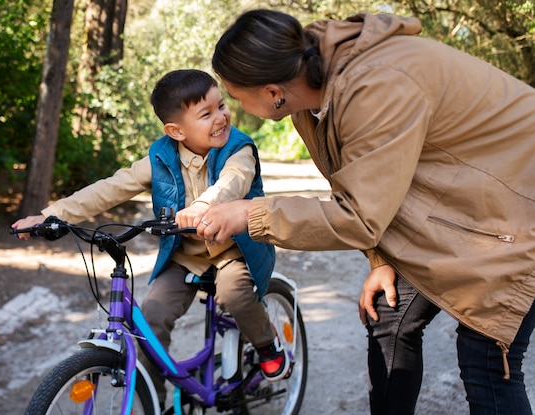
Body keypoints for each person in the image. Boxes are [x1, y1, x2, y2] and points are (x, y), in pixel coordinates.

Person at [199, 9, 535, 415]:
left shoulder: (378, 83)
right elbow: (355, 182)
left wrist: (250, 213)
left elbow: (358, 215)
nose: (235, 108)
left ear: (272, 91)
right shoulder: (311, 102)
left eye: (235, 96)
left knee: (485, 357)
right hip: (464, 208)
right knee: (389, 317)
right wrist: (379, 259)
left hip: (515, 212)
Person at [11, 69, 290, 408]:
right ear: (176, 131)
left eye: (221, 106)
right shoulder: (160, 157)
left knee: (233, 293)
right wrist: (51, 215)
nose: (221, 117)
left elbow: (234, 180)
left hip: (235, 249)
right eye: (207, 114)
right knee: (151, 321)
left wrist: (204, 204)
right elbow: (111, 188)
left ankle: (266, 345)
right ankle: (154, 403)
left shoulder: (238, 148)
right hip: (186, 254)